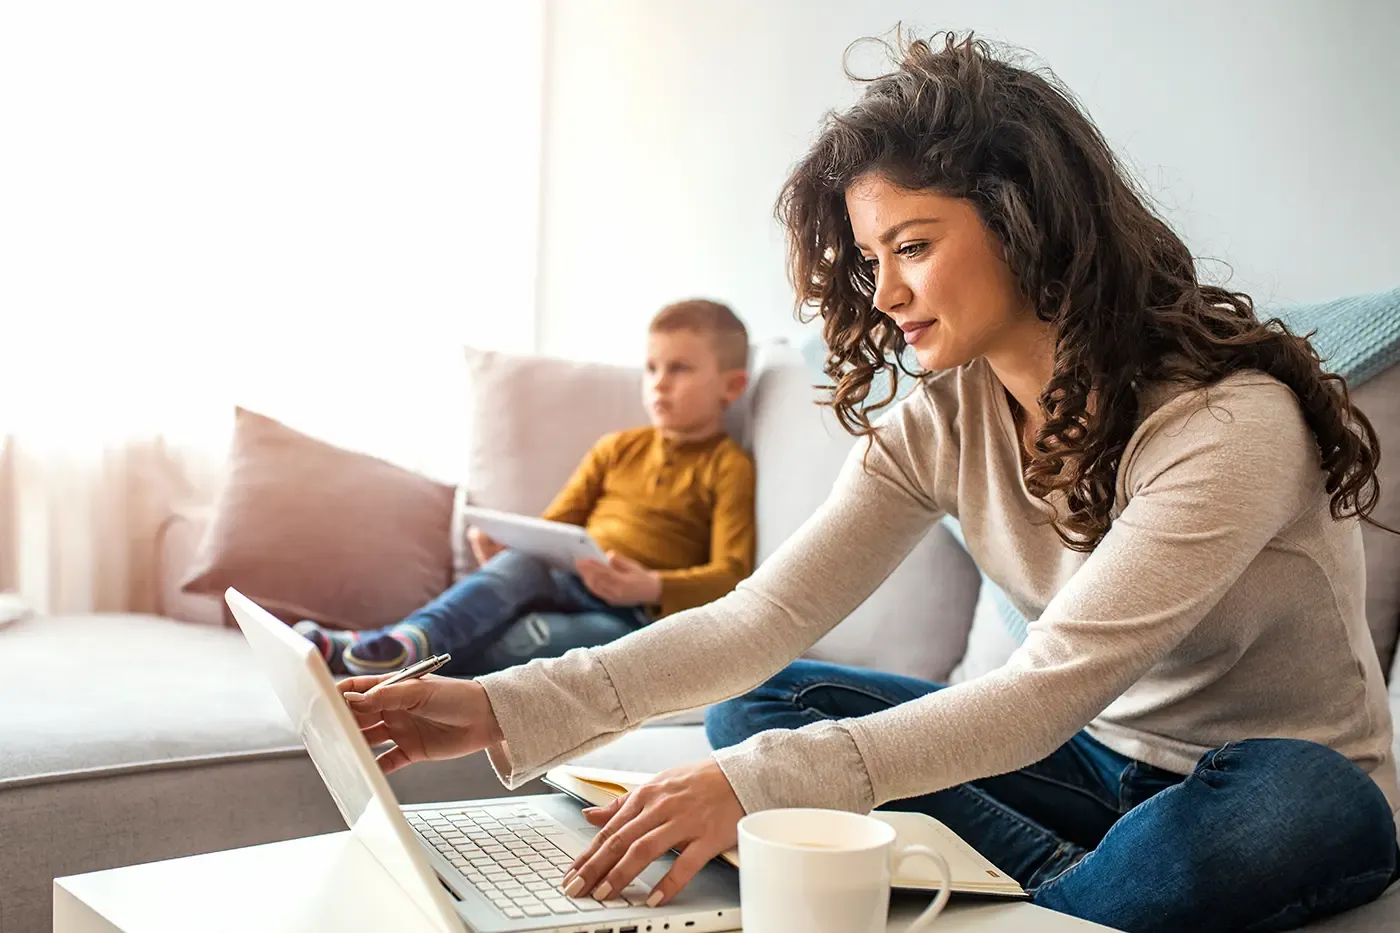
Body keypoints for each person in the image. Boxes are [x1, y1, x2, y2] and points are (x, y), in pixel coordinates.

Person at [333, 34, 1400, 931]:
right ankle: (1059, 891)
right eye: (869, 258)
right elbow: (761, 619)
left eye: (913, 246)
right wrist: (495, 703)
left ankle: (1053, 892)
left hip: (1277, 781)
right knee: (765, 704)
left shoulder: (1226, 425)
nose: (883, 292)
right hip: (1089, 768)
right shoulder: (942, 420)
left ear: (1024, 221)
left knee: (1288, 802)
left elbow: (1043, 689)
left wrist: (752, 788)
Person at [297, 298, 756, 677]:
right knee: (514, 567)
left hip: (627, 616)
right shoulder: (617, 448)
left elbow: (733, 574)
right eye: (652, 368)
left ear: (732, 386)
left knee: (528, 640)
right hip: (559, 577)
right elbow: (554, 528)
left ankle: (367, 655)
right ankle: (400, 644)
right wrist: (507, 546)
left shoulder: (729, 467)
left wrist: (650, 587)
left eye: (679, 369)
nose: (659, 384)